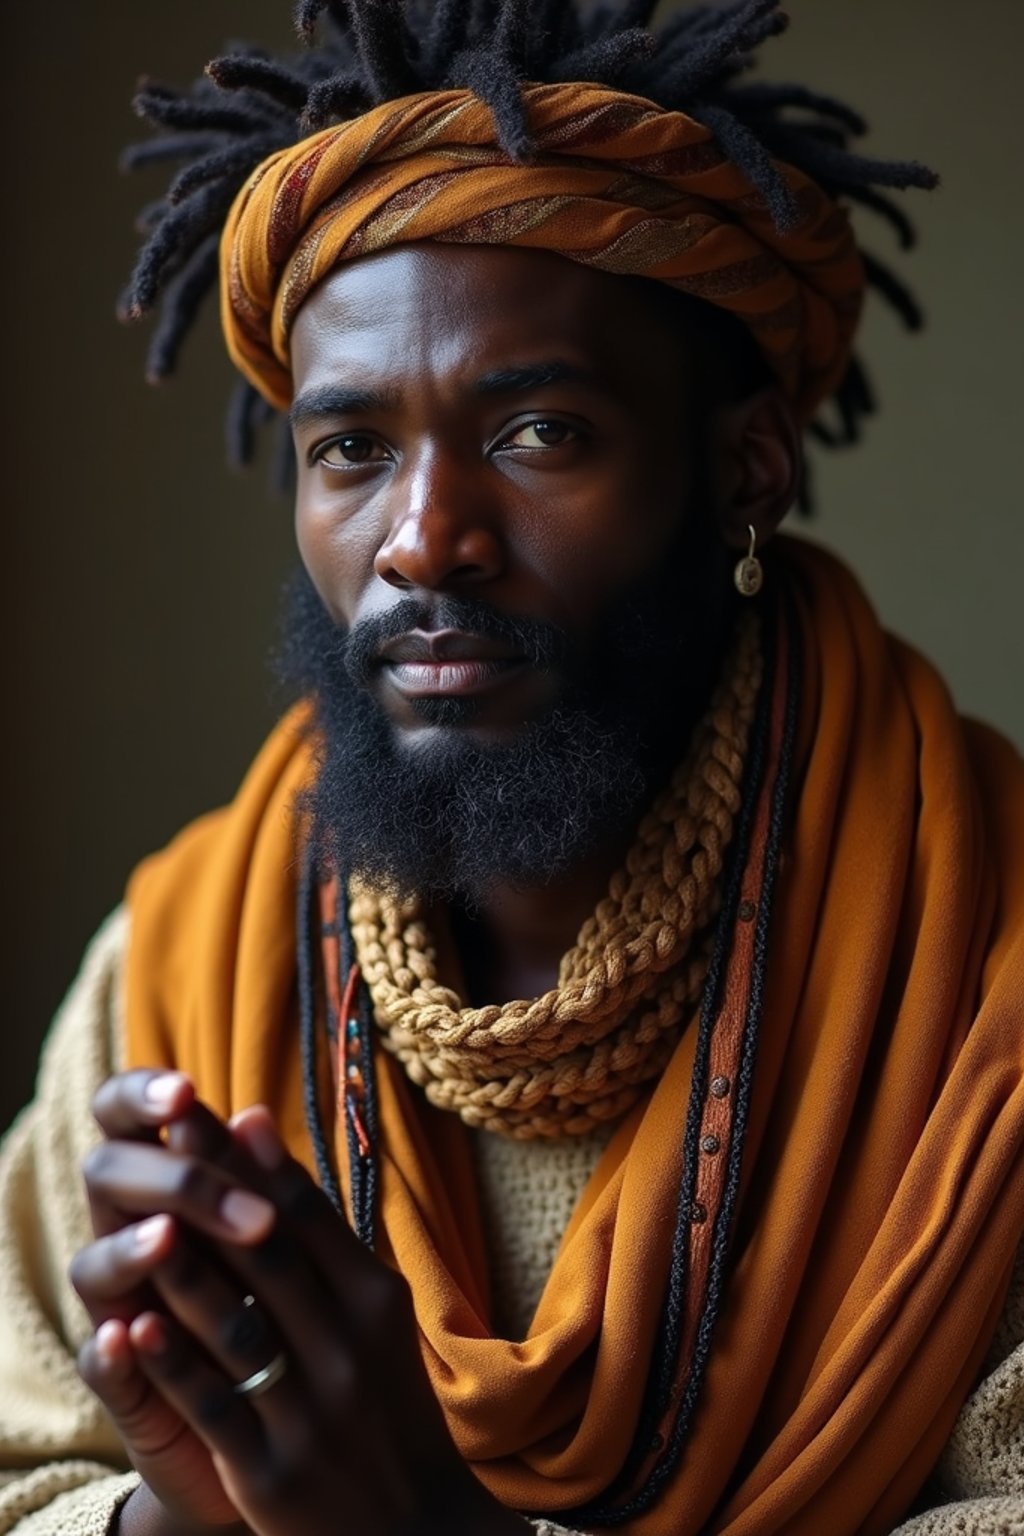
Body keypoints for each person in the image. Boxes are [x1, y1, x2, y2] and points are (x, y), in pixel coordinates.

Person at [0, 2, 1022, 1533]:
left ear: (745, 466)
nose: (423, 539)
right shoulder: (178, 977)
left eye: (540, 430)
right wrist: (179, 1516)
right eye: (351, 450)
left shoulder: (984, 963)